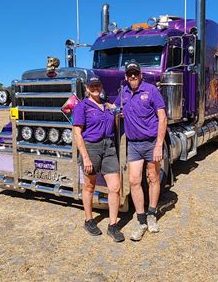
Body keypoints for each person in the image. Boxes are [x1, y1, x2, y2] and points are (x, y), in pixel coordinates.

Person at [114, 61, 168, 241]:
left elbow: (162, 117)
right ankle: (141, 220)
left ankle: (152, 214)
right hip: (134, 145)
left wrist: (159, 144)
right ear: (126, 77)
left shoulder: (151, 90)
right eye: (130, 74)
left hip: (152, 142)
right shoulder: (123, 94)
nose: (133, 77)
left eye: (135, 73)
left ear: (141, 75)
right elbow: (114, 110)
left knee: (153, 177)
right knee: (134, 180)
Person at [72, 75, 124, 242]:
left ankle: (113, 225)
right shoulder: (82, 107)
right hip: (91, 148)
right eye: (92, 86)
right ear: (87, 88)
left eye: (97, 85)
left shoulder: (106, 106)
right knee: (89, 186)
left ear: (101, 87)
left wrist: (113, 108)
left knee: (115, 187)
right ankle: (88, 220)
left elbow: (118, 114)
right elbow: (77, 134)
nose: (95, 88)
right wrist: (85, 158)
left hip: (109, 147)